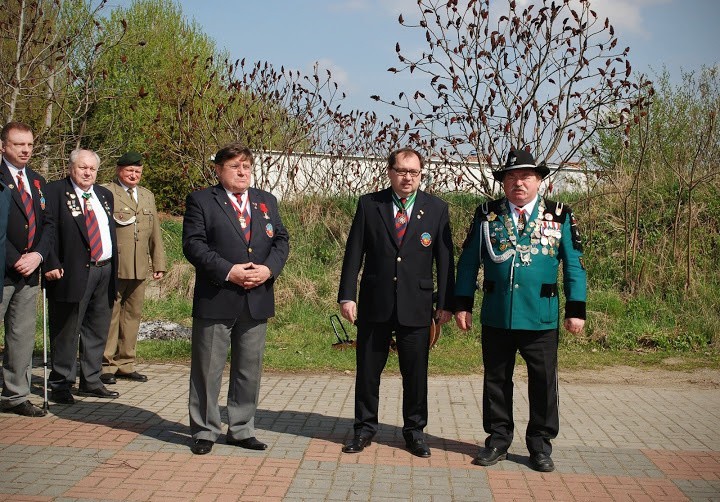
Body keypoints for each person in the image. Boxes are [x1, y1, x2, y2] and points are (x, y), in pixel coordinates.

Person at [454, 147, 586, 472]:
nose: (519, 183)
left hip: (541, 316)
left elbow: (573, 266)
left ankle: (540, 445)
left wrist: (576, 309)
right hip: (498, 314)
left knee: (543, 382)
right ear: (503, 183)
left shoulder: (558, 215)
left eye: (526, 176)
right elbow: (469, 263)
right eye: (511, 176)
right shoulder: (486, 215)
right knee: (497, 381)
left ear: (540, 180)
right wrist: (462, 304)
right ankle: (498, 440)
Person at [337, 147, 455, 458]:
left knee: (415, 374)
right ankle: (363, 429)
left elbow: (445, 261)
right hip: (375, 302)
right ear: (389, 172)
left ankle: (414, 432)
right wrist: (347, 295)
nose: (407, 177)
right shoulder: (369, 205)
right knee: (367, 371)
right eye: (402, 171)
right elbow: (354, 254)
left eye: (414, 172)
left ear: (421, 175)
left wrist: (445, 303)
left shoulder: (436, 208)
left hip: (416, 305)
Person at [182, 142, 289, 455]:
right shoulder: (202, 200)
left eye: (247, 166)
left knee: (248, 368)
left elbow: (281, 240)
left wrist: (269, 270)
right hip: (218, 295)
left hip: (257, 296)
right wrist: (229, 271)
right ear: (218, 170)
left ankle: (241, 429)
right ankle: (205, 430)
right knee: (207, 369)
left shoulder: (265, 200)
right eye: (235, 166)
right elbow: (193, 245)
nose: (243, 172)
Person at [44, 149, 119, 404]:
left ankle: (91, 379)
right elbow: (48, 230)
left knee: (97, 327)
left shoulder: (104, 195)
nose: (87, 173)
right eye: (82, 168)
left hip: (104, 268)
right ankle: (61, 382)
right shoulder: (55, 192)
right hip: (72, 271)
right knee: (67, 328)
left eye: (92, 169)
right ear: (71, 168)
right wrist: (50, 263)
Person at [0, 122, 54, 417]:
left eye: (30, 145)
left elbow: (48, 225)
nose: (25, 150)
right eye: (19, 144)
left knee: (21, 336)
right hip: (5, 269)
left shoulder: (37, 181)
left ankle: (15, 396)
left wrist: (37, 255)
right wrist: (14, 258)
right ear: (3, 146)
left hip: (29, 270)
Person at [101, 151, 166, 384]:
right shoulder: (106, 192)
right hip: (115, 265)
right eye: (129, 170)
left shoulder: (147, 196)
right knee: (110, 315)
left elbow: (155, 232)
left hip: (139, 266)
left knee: (133, 315)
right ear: (119, 170)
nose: (134, 175)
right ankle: (105, 365)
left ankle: (126, 363)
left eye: (137, 171)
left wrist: (158, 263)